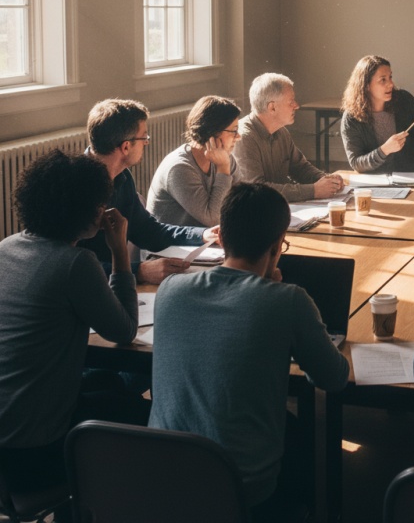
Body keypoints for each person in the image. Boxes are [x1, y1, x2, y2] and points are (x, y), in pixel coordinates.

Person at [149, 182, 349, 520]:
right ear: (277, 245)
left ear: (221, 237)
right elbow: (334, 378)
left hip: (158, 479)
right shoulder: (288, 300)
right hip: (241, 492)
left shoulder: (170, 290)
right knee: (301, 436)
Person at [0, 151, 147, 505]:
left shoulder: (6, 247)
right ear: (84, 210)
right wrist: (120, 253)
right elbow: (124, 330)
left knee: (110, 382)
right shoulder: (75, 263)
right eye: (99, 203)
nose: (103, 210)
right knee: (149, 418)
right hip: (34, 457)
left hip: (6, 446)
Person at [79, 99, 217, 285]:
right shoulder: (76, 186)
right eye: (144, 138)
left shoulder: (122, 177)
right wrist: (139, 271)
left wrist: (202, 235)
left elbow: (147, 231)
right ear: (126, 147)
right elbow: (71, 266)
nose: (146, 143)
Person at [234, 73, 344, 202]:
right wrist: (313, 190)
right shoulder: (243, 138)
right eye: (291, 101)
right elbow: (256, 189)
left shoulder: (281, 132)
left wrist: (327, 180)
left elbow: (300, 168)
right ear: (272, 107)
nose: (296, 106)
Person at [147, 95, 242, 227]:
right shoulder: (179, 168)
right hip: (173, 239)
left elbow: (242, 200)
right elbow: (213, 220)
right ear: (213, 131)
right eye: (234, 131)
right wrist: (223, 168)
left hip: (205, 236)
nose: (238, 136)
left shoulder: (225, 158)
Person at [340, 55, 414, 174]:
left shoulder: (403, 99)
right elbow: (357, 163)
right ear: (366, 85)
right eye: (383, 80)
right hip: (376, 180)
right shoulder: (351, 118)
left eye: (390, 77)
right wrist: (384, 150)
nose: (391, 84)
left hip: (411, 176)